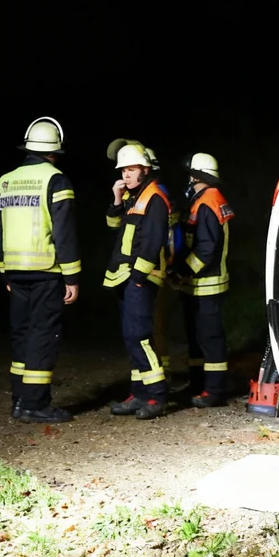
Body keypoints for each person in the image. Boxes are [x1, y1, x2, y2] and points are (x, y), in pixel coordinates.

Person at [0, 117, 82, 423]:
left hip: (16, 271)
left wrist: (5, 270)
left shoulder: (6, 181)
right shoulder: (56, 180)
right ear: (55, 152)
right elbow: (64, 233)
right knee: (43, 336)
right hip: (46, 270)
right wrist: (72, 277)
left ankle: (20, 401)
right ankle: (36, 405)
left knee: (21, 334)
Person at [104, 143, 172, 420]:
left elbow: (153, 241)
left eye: (131, 169)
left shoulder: (155, 197)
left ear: (145, 169)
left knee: (140, 335)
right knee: (131, 336)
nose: (126, 175)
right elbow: (112, 225)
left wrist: (140, 278)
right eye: (124, 170)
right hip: (125, 276)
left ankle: (156, 394)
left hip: (139, 277)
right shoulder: (135, 197)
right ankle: (138, 393)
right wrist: (117, 199)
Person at [171, 152, 234, 407]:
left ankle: (215, 390)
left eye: (191, 176)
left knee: (209, 338)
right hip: (197, 284)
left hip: (206, 283)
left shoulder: (207, 203)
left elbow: (206, 248)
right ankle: (199, 384)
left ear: (198, 177)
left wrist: (183, 272)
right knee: (196, 336)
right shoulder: (206, 200)